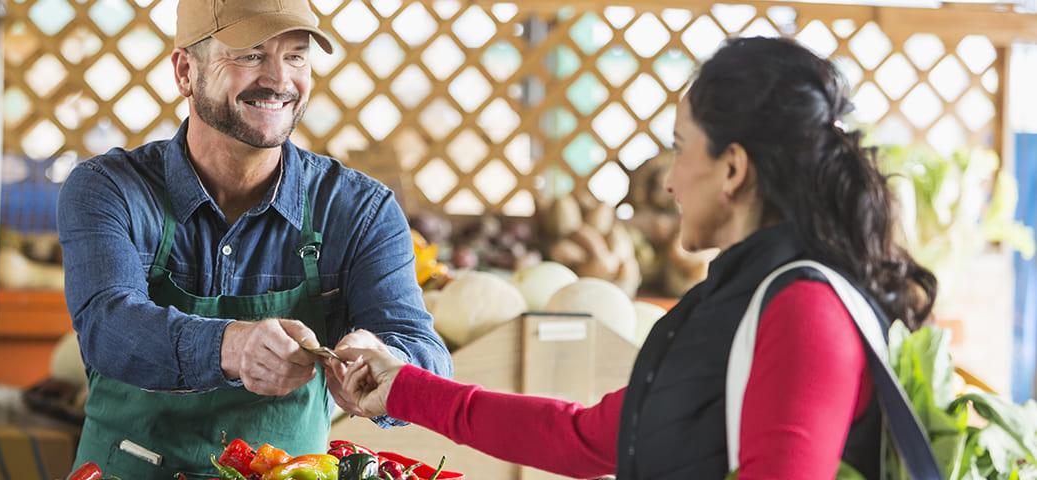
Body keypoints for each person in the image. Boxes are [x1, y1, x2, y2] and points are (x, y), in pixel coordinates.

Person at [325, 36, 937, 480]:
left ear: (732, 168)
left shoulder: (805, 309)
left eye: (679, 150)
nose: (669, 182)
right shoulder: (741, 297)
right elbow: (583, 437)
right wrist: (403, 389)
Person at [54, 0, 453, 477]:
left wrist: (392, 368)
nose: (280, 80)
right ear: (185, 71)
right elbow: (107, 326)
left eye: (296, 56)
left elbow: (425, 356)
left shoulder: (361, 210)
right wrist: (232, 347)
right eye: (250, 55)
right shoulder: (109, 187)